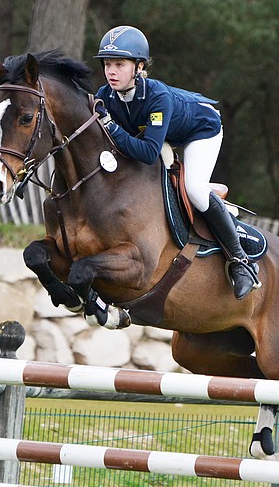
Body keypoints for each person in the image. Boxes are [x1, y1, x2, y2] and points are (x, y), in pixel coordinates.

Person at [93, 25, 260, 300]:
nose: (111, 71)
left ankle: (242, 262)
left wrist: (110, 125)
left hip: (201, 130)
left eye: (119, 64)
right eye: (108, 64)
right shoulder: (107, 95)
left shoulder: (157, 98)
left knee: (194, 188)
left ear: (139, 67)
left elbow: (147, 153)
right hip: (164, 135)